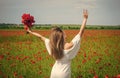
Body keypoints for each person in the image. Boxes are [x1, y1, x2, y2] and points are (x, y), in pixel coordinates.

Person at [26, 9, 88, 78]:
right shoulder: (68, 46)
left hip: (54, 72)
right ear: (62, 36)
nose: (65, 34)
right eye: (64, 33)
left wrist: (31, 32)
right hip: (64, 73)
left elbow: (40, 37)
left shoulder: (52, 45)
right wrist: (85, 19)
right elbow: (81, 32)